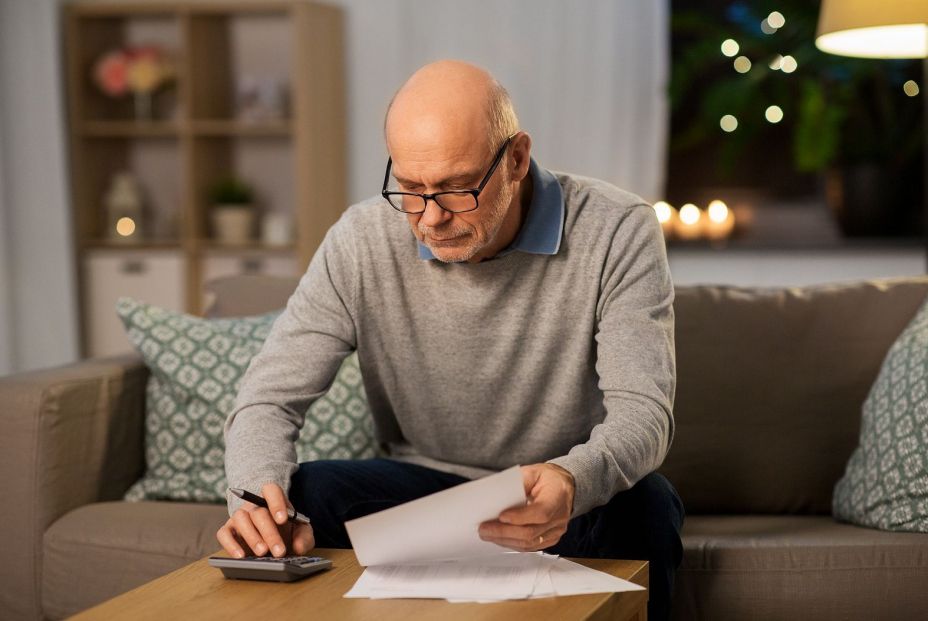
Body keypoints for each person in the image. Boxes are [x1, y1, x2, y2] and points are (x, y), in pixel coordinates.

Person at [216, 60, 684, 619]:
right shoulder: (360, 240)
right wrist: (253, 497)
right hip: (425, 493)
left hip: (561, 494)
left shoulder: (618, 229)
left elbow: (644, 413)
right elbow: (270, 397)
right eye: (411, 189)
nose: (430, 219)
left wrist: (572, 479)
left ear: (516, 159)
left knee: (647, 506)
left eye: (457, 189)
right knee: (306, 492)